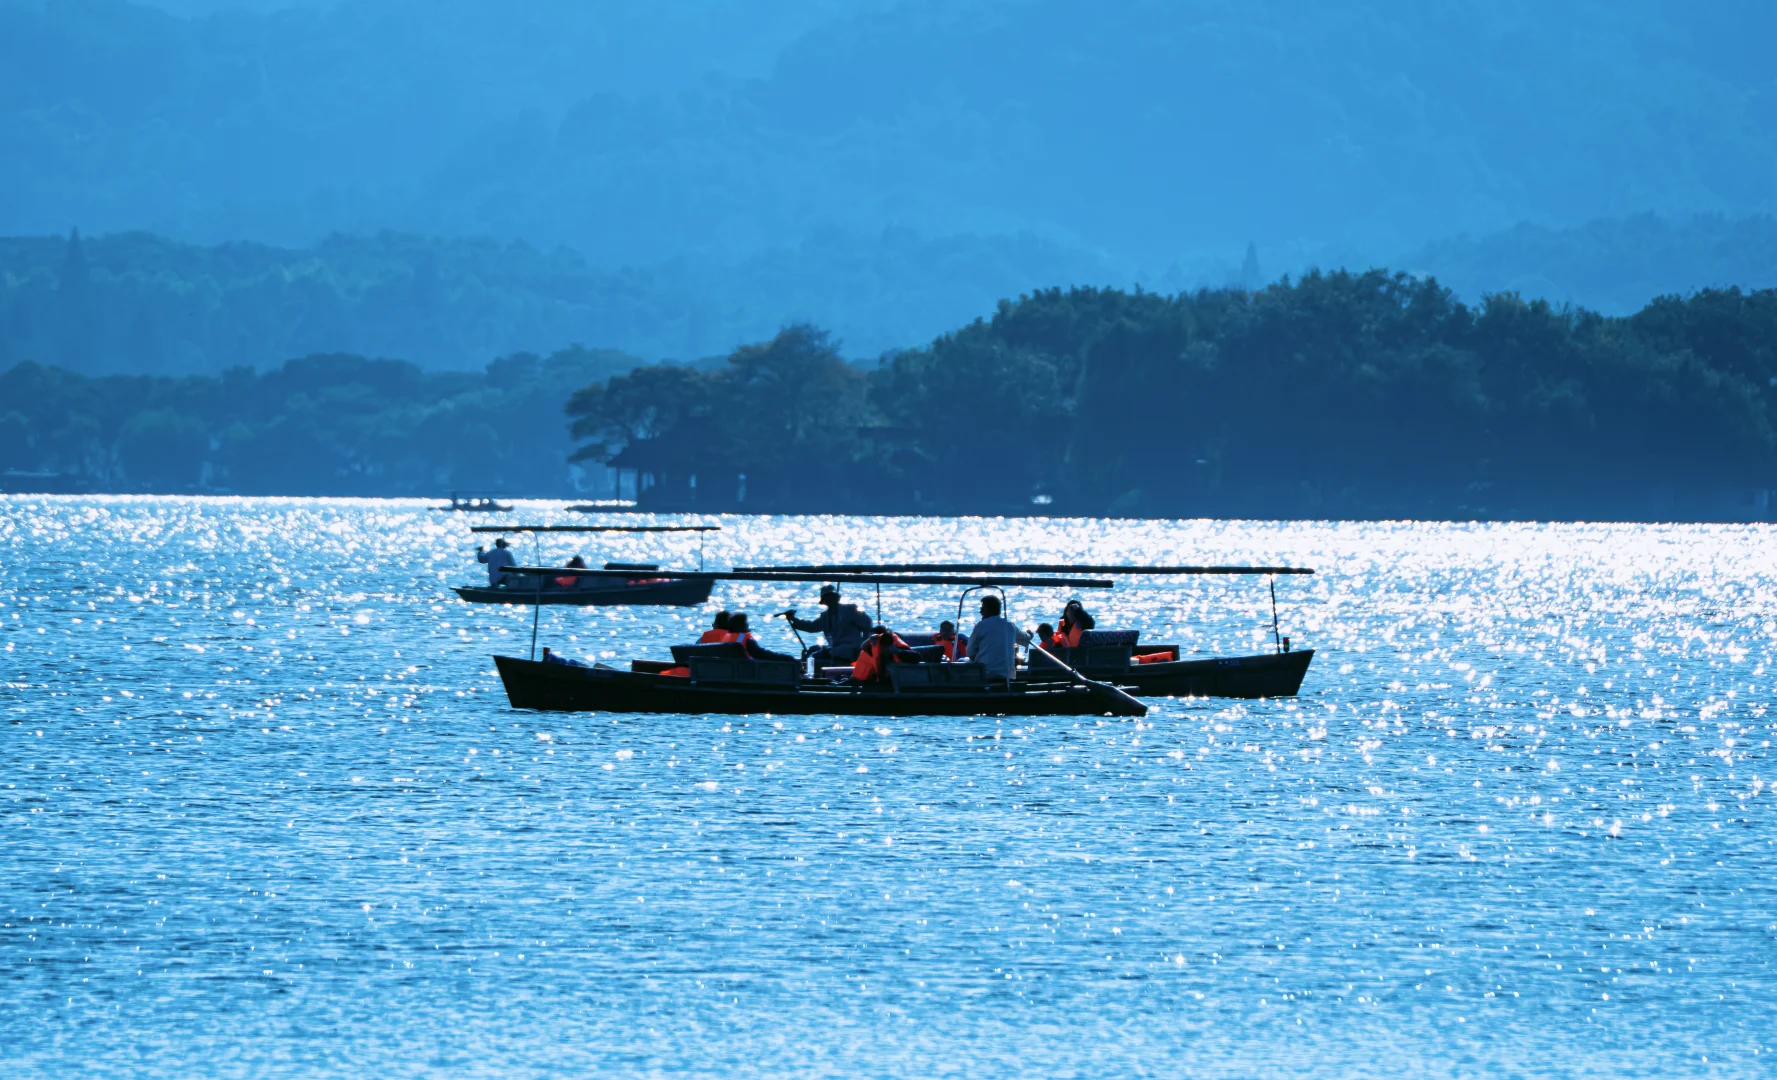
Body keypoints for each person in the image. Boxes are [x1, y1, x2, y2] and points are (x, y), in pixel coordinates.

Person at [788, 585, 873, 664]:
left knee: (818, 655)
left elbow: (867, 624)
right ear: (824, 601)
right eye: (827, 597)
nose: (830, 600)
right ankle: (803, 671)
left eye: (832, 597)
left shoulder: (850, 610)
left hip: (850, 648)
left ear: (837, 598)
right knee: (812, 650)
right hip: (835, 648)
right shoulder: (825, 616)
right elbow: (812, 626)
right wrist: (794, 620)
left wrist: (863, 646)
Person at [965, 594, 1020, 681]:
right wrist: (1029, 636)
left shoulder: (981, 625)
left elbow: (969, 651)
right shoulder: (1010, 626)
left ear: (987, 610)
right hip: (1007, 676)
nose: (980, 612)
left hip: (986, 674)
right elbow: (1024, 636)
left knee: (962, 661)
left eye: (982, 609)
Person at [726, 613, 797, 663]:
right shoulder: (747, 641)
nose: (747, 625)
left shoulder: (725, 638)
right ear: (740, 626)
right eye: (745, 623)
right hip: (745, 671)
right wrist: (787, 658)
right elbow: (762, 654)